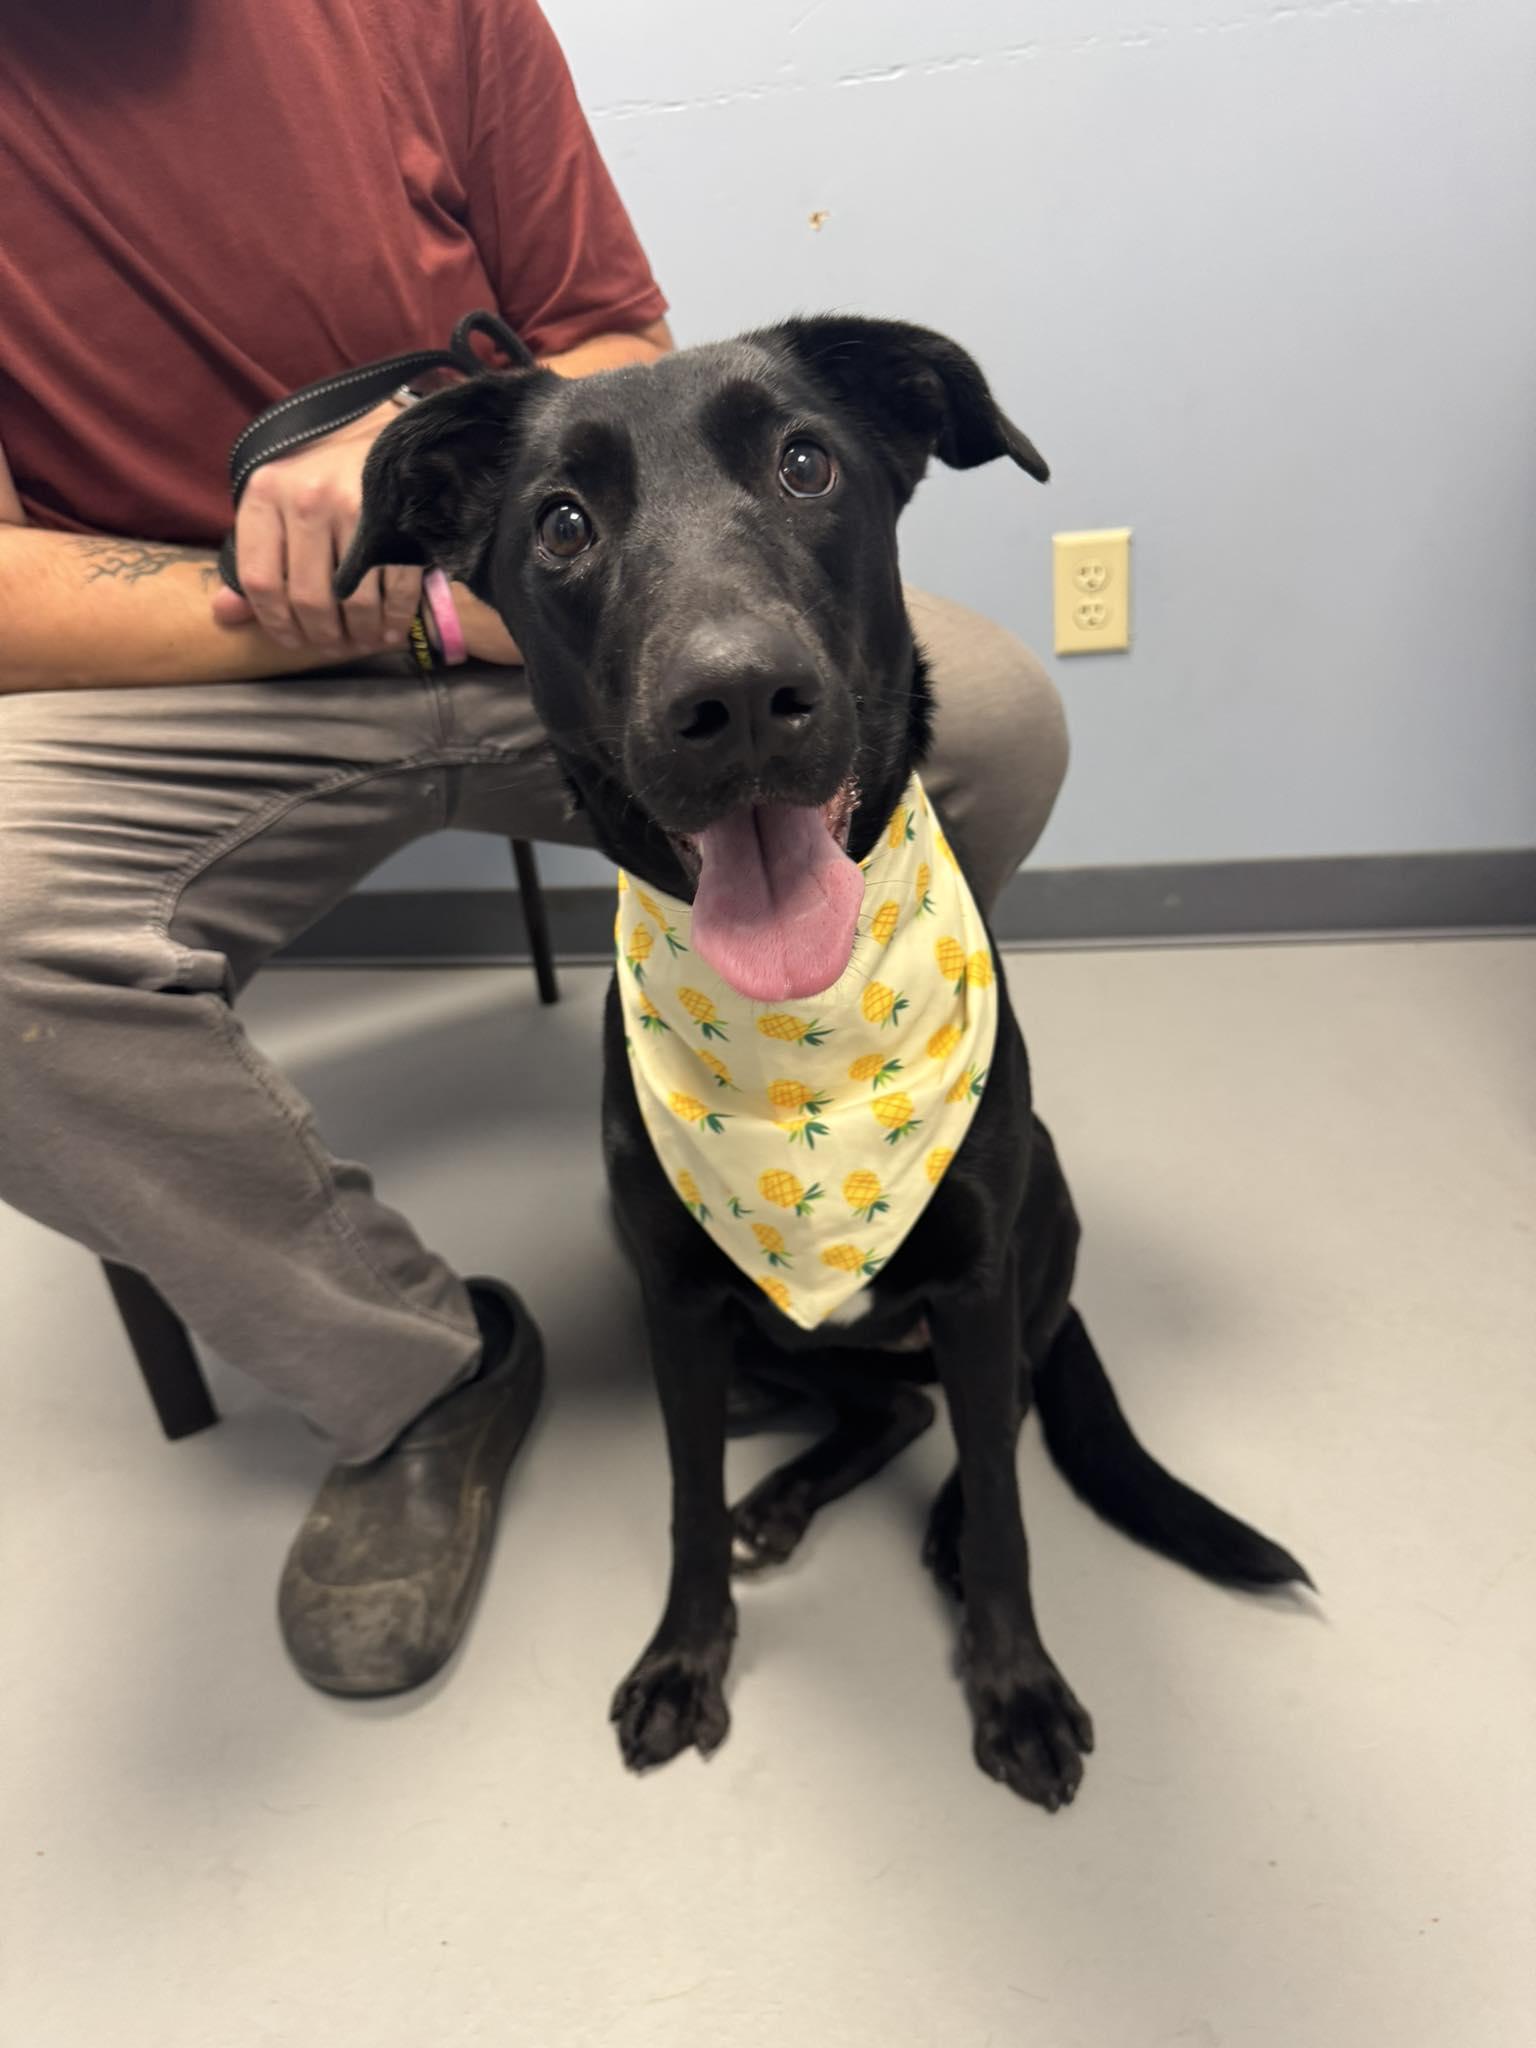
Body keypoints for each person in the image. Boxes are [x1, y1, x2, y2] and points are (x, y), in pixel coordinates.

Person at [0, 0, 1069, 1696]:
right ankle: (414, 1374)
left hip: (542, 608)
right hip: (196, 667)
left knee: (996, 716)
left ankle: (854, 1172)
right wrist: (378, 606)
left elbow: (608, 334)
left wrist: (478, 504)